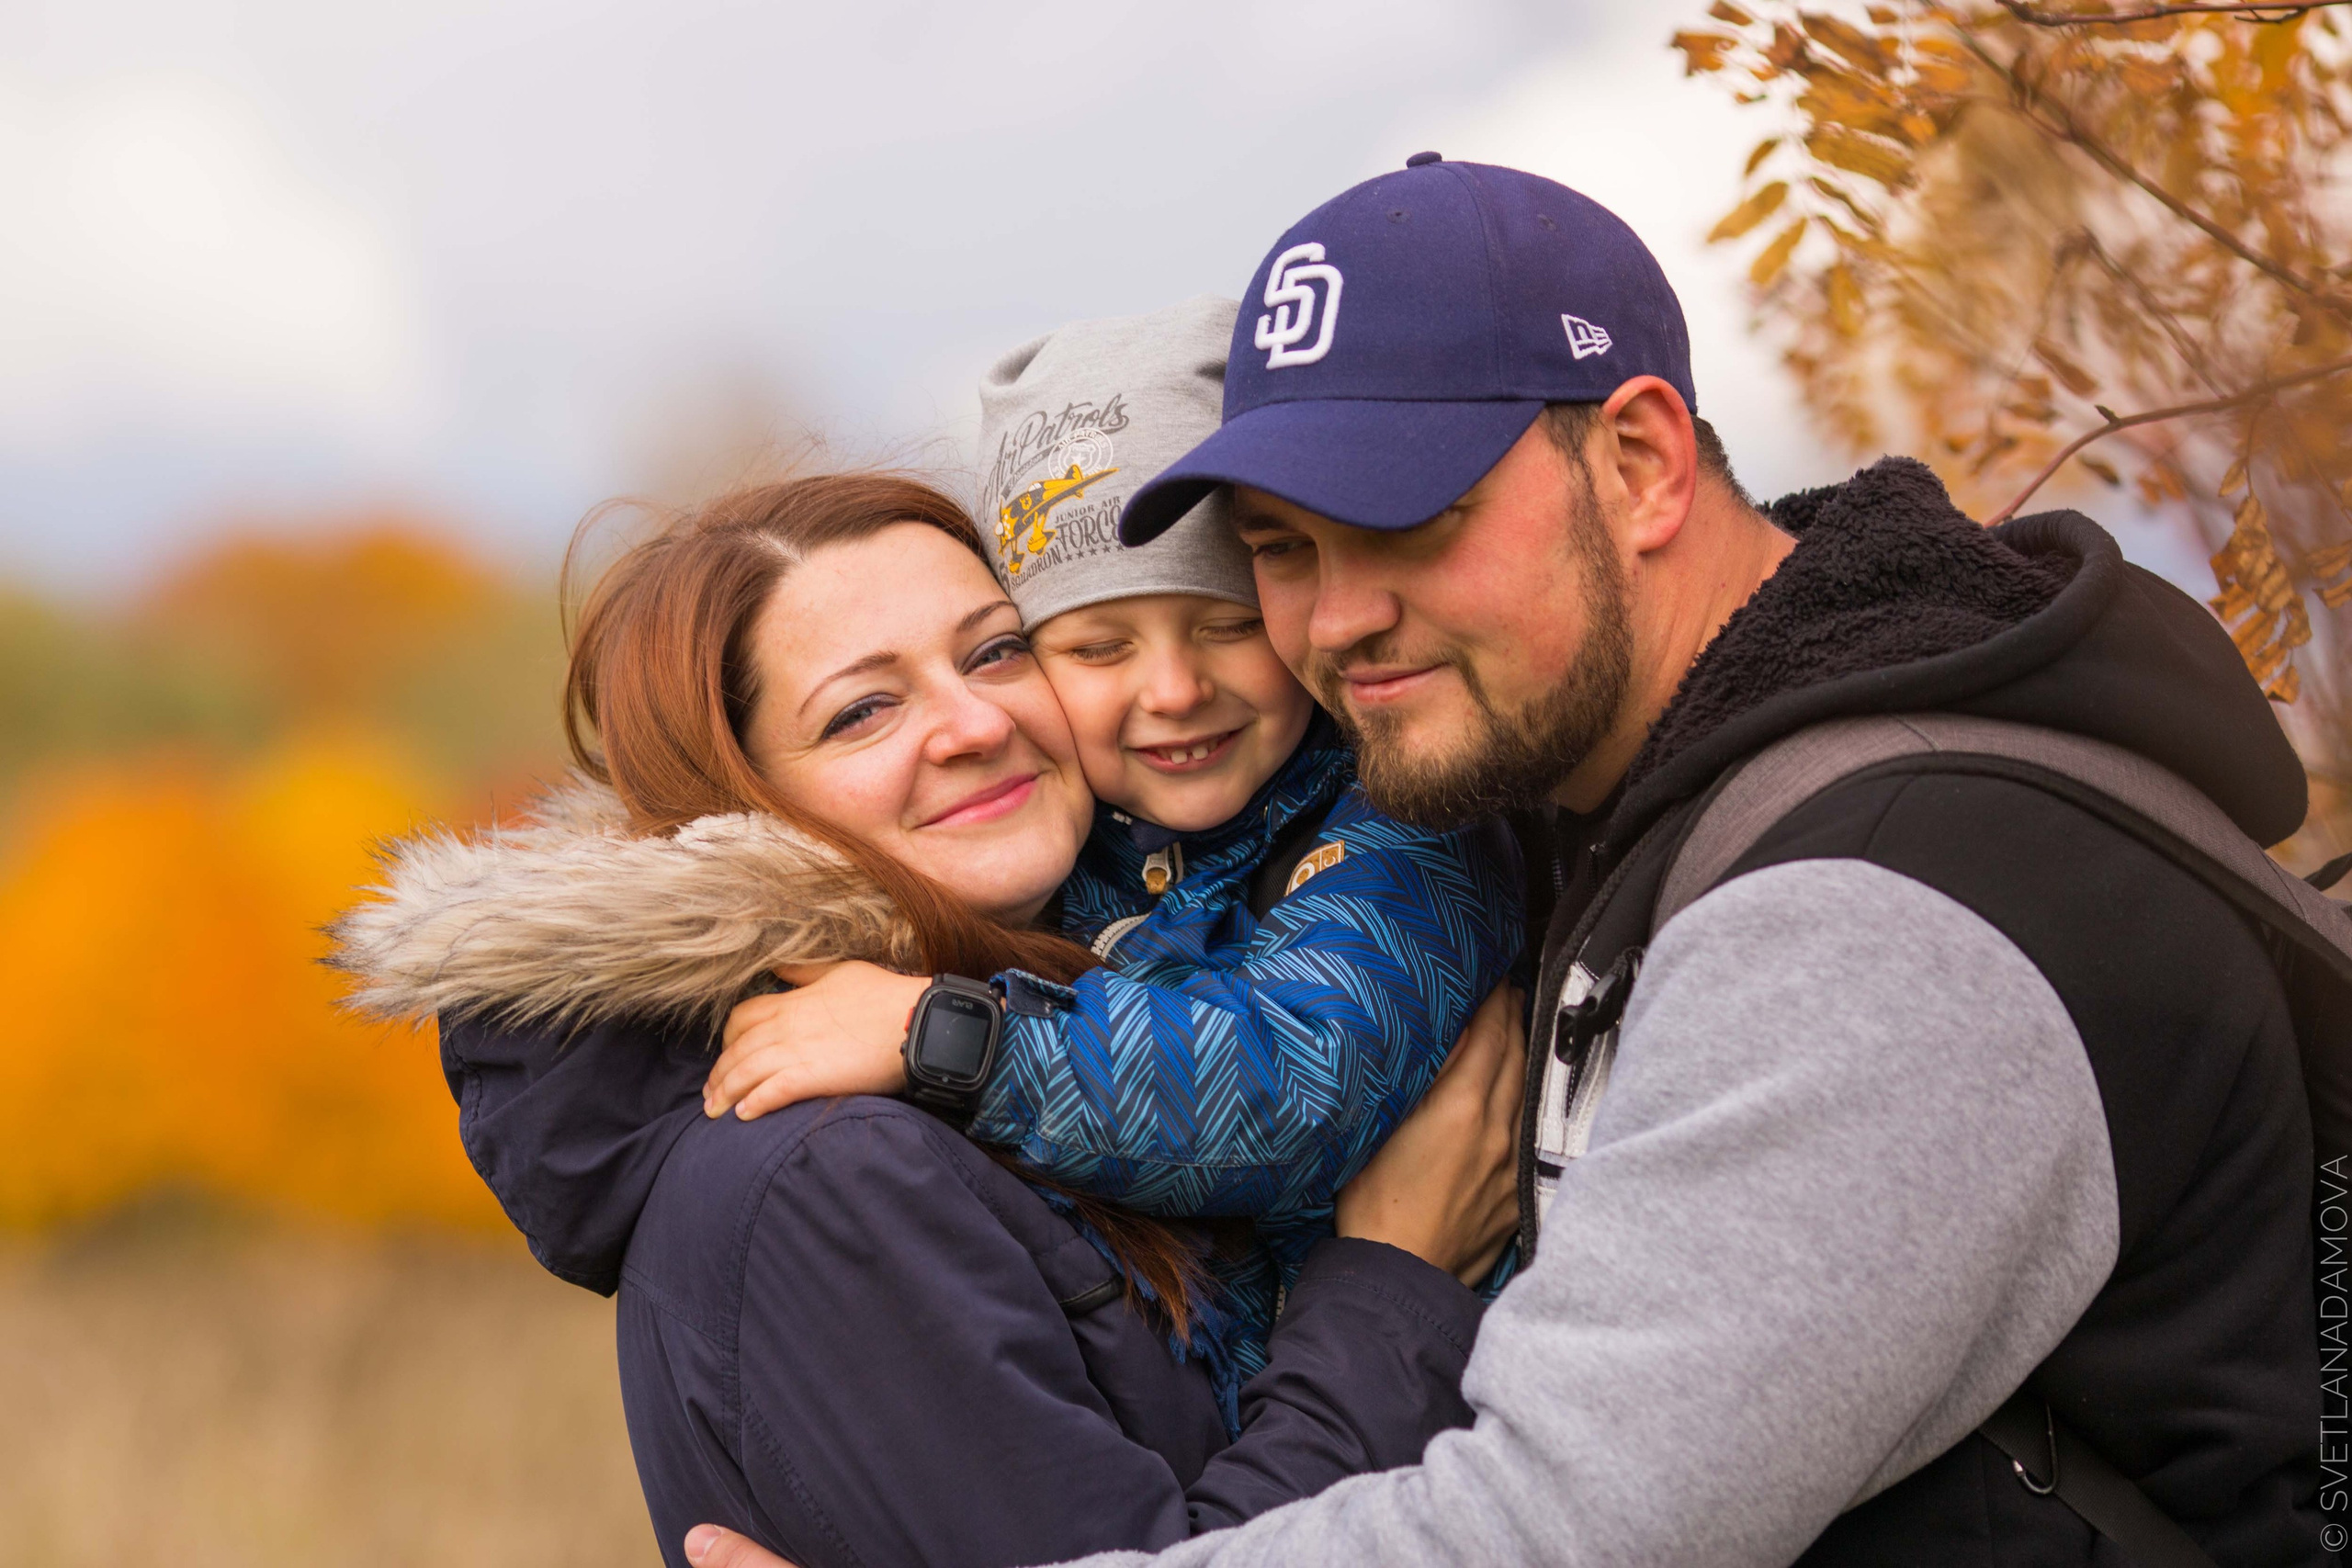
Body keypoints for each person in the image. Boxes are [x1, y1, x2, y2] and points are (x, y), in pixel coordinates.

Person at [687, 156, 2327, 1566]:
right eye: (1281, 550)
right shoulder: (1603, 805)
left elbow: (1556, 1526)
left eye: (1407, 524)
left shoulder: (1881, 900)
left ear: (1641, 463)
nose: (1334, 620)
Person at [331, 471, 1527, 1568]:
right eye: (862, 711)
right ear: (739, 795)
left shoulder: (1100, 1006)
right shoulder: (829, 1174)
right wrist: (1395, 1279)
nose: (975, 723)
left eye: (996, 651)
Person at [700, 299, 1526, 1394]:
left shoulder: (1405, 824)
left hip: (1443, 1421)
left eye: (1228, 624)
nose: (1175, 690)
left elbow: (1291, 1087)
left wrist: (946, 1041)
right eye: (1097, 647)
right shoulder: (1061, 855)